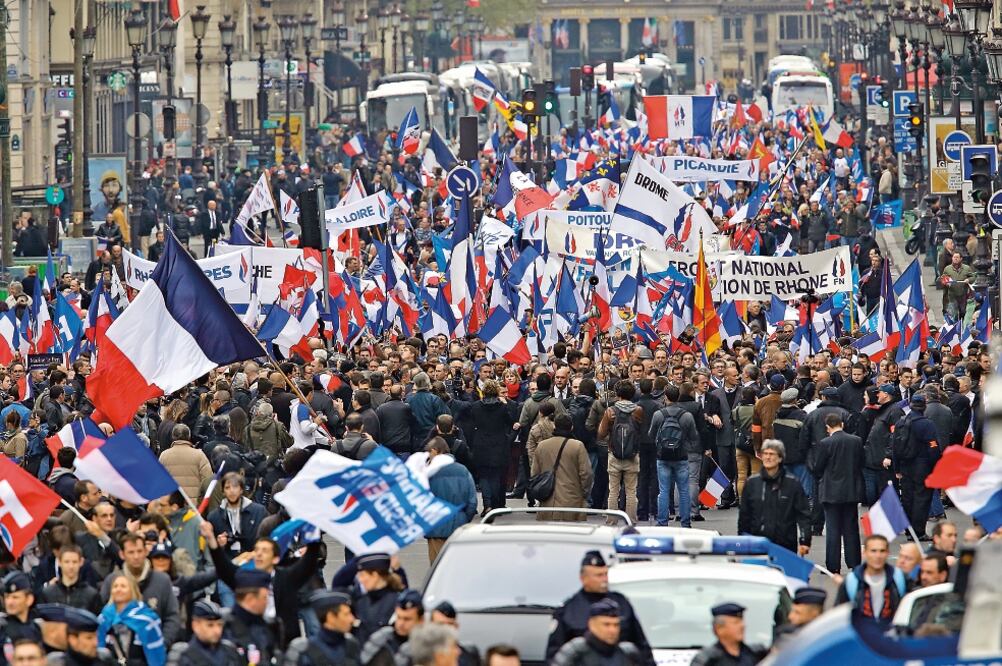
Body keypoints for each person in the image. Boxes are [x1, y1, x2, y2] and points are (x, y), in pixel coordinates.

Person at [200, 519, 321, 646]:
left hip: (283, 641)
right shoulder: (245, 577)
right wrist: (211, 539)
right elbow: (223, 567)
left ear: (276, 558)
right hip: (252, 641)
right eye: (257, 550)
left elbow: (309, 563)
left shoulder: (286, 578)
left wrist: (313, 535)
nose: (259, 554)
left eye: (265, 551)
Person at [545, 551, 652, 663]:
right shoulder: (568, 610)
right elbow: (554, 655)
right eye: (599, 575)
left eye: (605, 574)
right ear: (583, 578)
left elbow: (641, 645)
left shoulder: (622, 603)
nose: (604, 580)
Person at [99, 532, 182, 645]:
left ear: (146, 552)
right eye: (131, 552)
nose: (136, 556)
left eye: (139, 551)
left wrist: (162, 644)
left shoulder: (162, 581)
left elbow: (172, 616)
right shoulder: (112, 581)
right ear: (122, 554)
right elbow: (102, 616)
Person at [408, 436, 478, 562]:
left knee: (438, 568)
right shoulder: (463, 470)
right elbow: (472, 502)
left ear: (435, 451)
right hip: (458, 526)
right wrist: (464, 518)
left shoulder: (427, 474)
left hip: (436, 526)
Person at [737, 440, 811, 555]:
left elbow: (803, 514)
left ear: (780, 458)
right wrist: (742, 541)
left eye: (771, 454)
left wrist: (805, 540)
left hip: (785, 545)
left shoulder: (793, 484)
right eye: (765, 454)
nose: (767, 457)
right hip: (758, 544)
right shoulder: (752, 483)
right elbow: (744, 517)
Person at [813, 413, 865, 575]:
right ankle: (854, 562)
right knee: (851, 528)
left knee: (833, 529)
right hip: (850, 490)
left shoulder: (825, 443)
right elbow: (861, 463)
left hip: (831, 491)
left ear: (827, 427)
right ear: (842, 424)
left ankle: (833, 565)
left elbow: (818, 467)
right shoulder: (856, 441)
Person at [648, 384, 699, 526]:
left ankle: (662, 521)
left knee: (664, 490)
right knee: (683, 490)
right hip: (681, 455)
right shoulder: (687, 416)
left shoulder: (659, 414)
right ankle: (685, 521)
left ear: (666, 397)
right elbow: (694, 436)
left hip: (663, 456)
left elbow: (651, 434)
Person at [893, 394, 941, 540]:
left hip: (905, 465)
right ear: (924, 406)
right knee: (922, 499)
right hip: (923, 466)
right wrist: (935, 466)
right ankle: (918, 531)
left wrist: (897, 469)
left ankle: (909, 530)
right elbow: (933, 447)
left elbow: (895, 446)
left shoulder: (901, 422)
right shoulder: (927, 424)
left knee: (907, 498)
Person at [529, 414, 593, 521]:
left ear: (555, 426)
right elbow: (586, 473)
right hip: (572, 500)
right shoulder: (578, 446)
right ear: (571, 427)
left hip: (547, 500)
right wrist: (584, 493)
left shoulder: (542, 446)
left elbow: (535, 473)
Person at [597, 380, 644, 523]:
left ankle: (611, 520)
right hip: (632, 455)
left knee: (613, 491)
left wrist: (607, 420)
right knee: (631, 491)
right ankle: (631, 520)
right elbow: (641, 430)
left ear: (617, 394)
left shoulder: (610, 411)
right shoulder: (638, 410)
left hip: (614, 454)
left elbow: (601, 433)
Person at [835, 535, 907, 624]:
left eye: (882, 551)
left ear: (888, 553)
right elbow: (839, 616)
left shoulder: (899, 578)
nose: (878, 556)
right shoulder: (852, 581)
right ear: (864, 553)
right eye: (873, 551)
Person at [97, 574, 166, 666]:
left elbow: (156, 657)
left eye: (123, 586)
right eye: (115, 586)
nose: (118, 589)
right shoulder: (103, 618)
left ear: (132, 590)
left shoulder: (147, 620)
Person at [550, 599, 644, 665]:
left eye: (616, 625)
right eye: (606, 625)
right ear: (592, 624)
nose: (612, 630)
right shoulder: (575, 651)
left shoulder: (627, 652)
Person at [282, 591, 361, 665]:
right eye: (346, 614)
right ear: (331, 617)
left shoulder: (351, 645)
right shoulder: (304, 650)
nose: (352, 619)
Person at [221, 569, 281, 665]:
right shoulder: (224, 627)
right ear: (250, 599)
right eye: (264, 597)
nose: (267, 602)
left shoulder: (267, 626)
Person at [348, 553, 406, 646]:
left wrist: (398, 570)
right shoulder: (360, 600)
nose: (360, 580)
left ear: (375, 575)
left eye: (363, 575)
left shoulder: (396, 602)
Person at [166, 600, 243, 665]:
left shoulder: (229, 651)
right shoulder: (182, 655)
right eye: (210, 625)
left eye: (219, 625)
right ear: (195, 625)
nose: (217, 630)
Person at [360, 589, 425, 666]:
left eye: (407, 619)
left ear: (421, 620)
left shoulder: (428, 646)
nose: (401, 623)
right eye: (399, 617)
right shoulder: (381, 640)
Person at [689, 603, 767, 666]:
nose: (742, 626)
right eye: (736, 623)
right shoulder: (708, 659)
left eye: (741, 621)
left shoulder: (756, 654)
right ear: (719, 629)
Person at [158, 424, 213, 504]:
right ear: (189, 436)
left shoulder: (164, 456)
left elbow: (159, 481)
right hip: (193, 504)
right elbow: (208, 479)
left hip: (172, 504)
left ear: (173, 437)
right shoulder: (199, 455)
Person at [40, 545, 102, 614]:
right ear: (59, 562)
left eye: (74, 562)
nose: (71, 566)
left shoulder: (92, 595)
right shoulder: (47, 593)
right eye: (67, 562)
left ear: (81, 562)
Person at [772, 588, 827, 652]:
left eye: (798, 613)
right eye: (792, 611)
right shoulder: (784, 633)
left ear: (815, 614)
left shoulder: (826, 641)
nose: (790, 616)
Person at [2, 572, 40, 645]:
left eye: (15, 597)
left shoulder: (40, 626)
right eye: (7, 597)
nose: (9, 602)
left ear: (29, 599)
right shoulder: (2, 627)